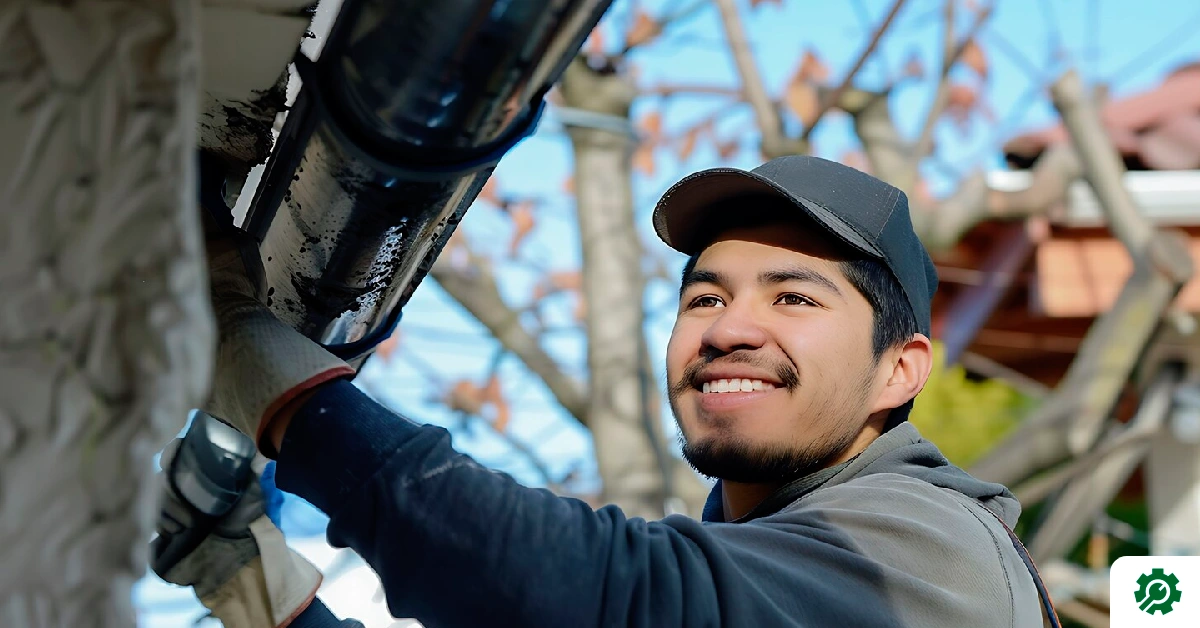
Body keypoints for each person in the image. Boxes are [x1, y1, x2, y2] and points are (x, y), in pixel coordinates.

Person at [159, 155, 1060, 627]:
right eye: (705, 296)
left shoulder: (933, 547)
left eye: (793, 296)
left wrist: (249, 350)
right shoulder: (757, 576)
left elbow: (587, 592)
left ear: (900, 369)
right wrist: (245, 581)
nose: (729, 328)